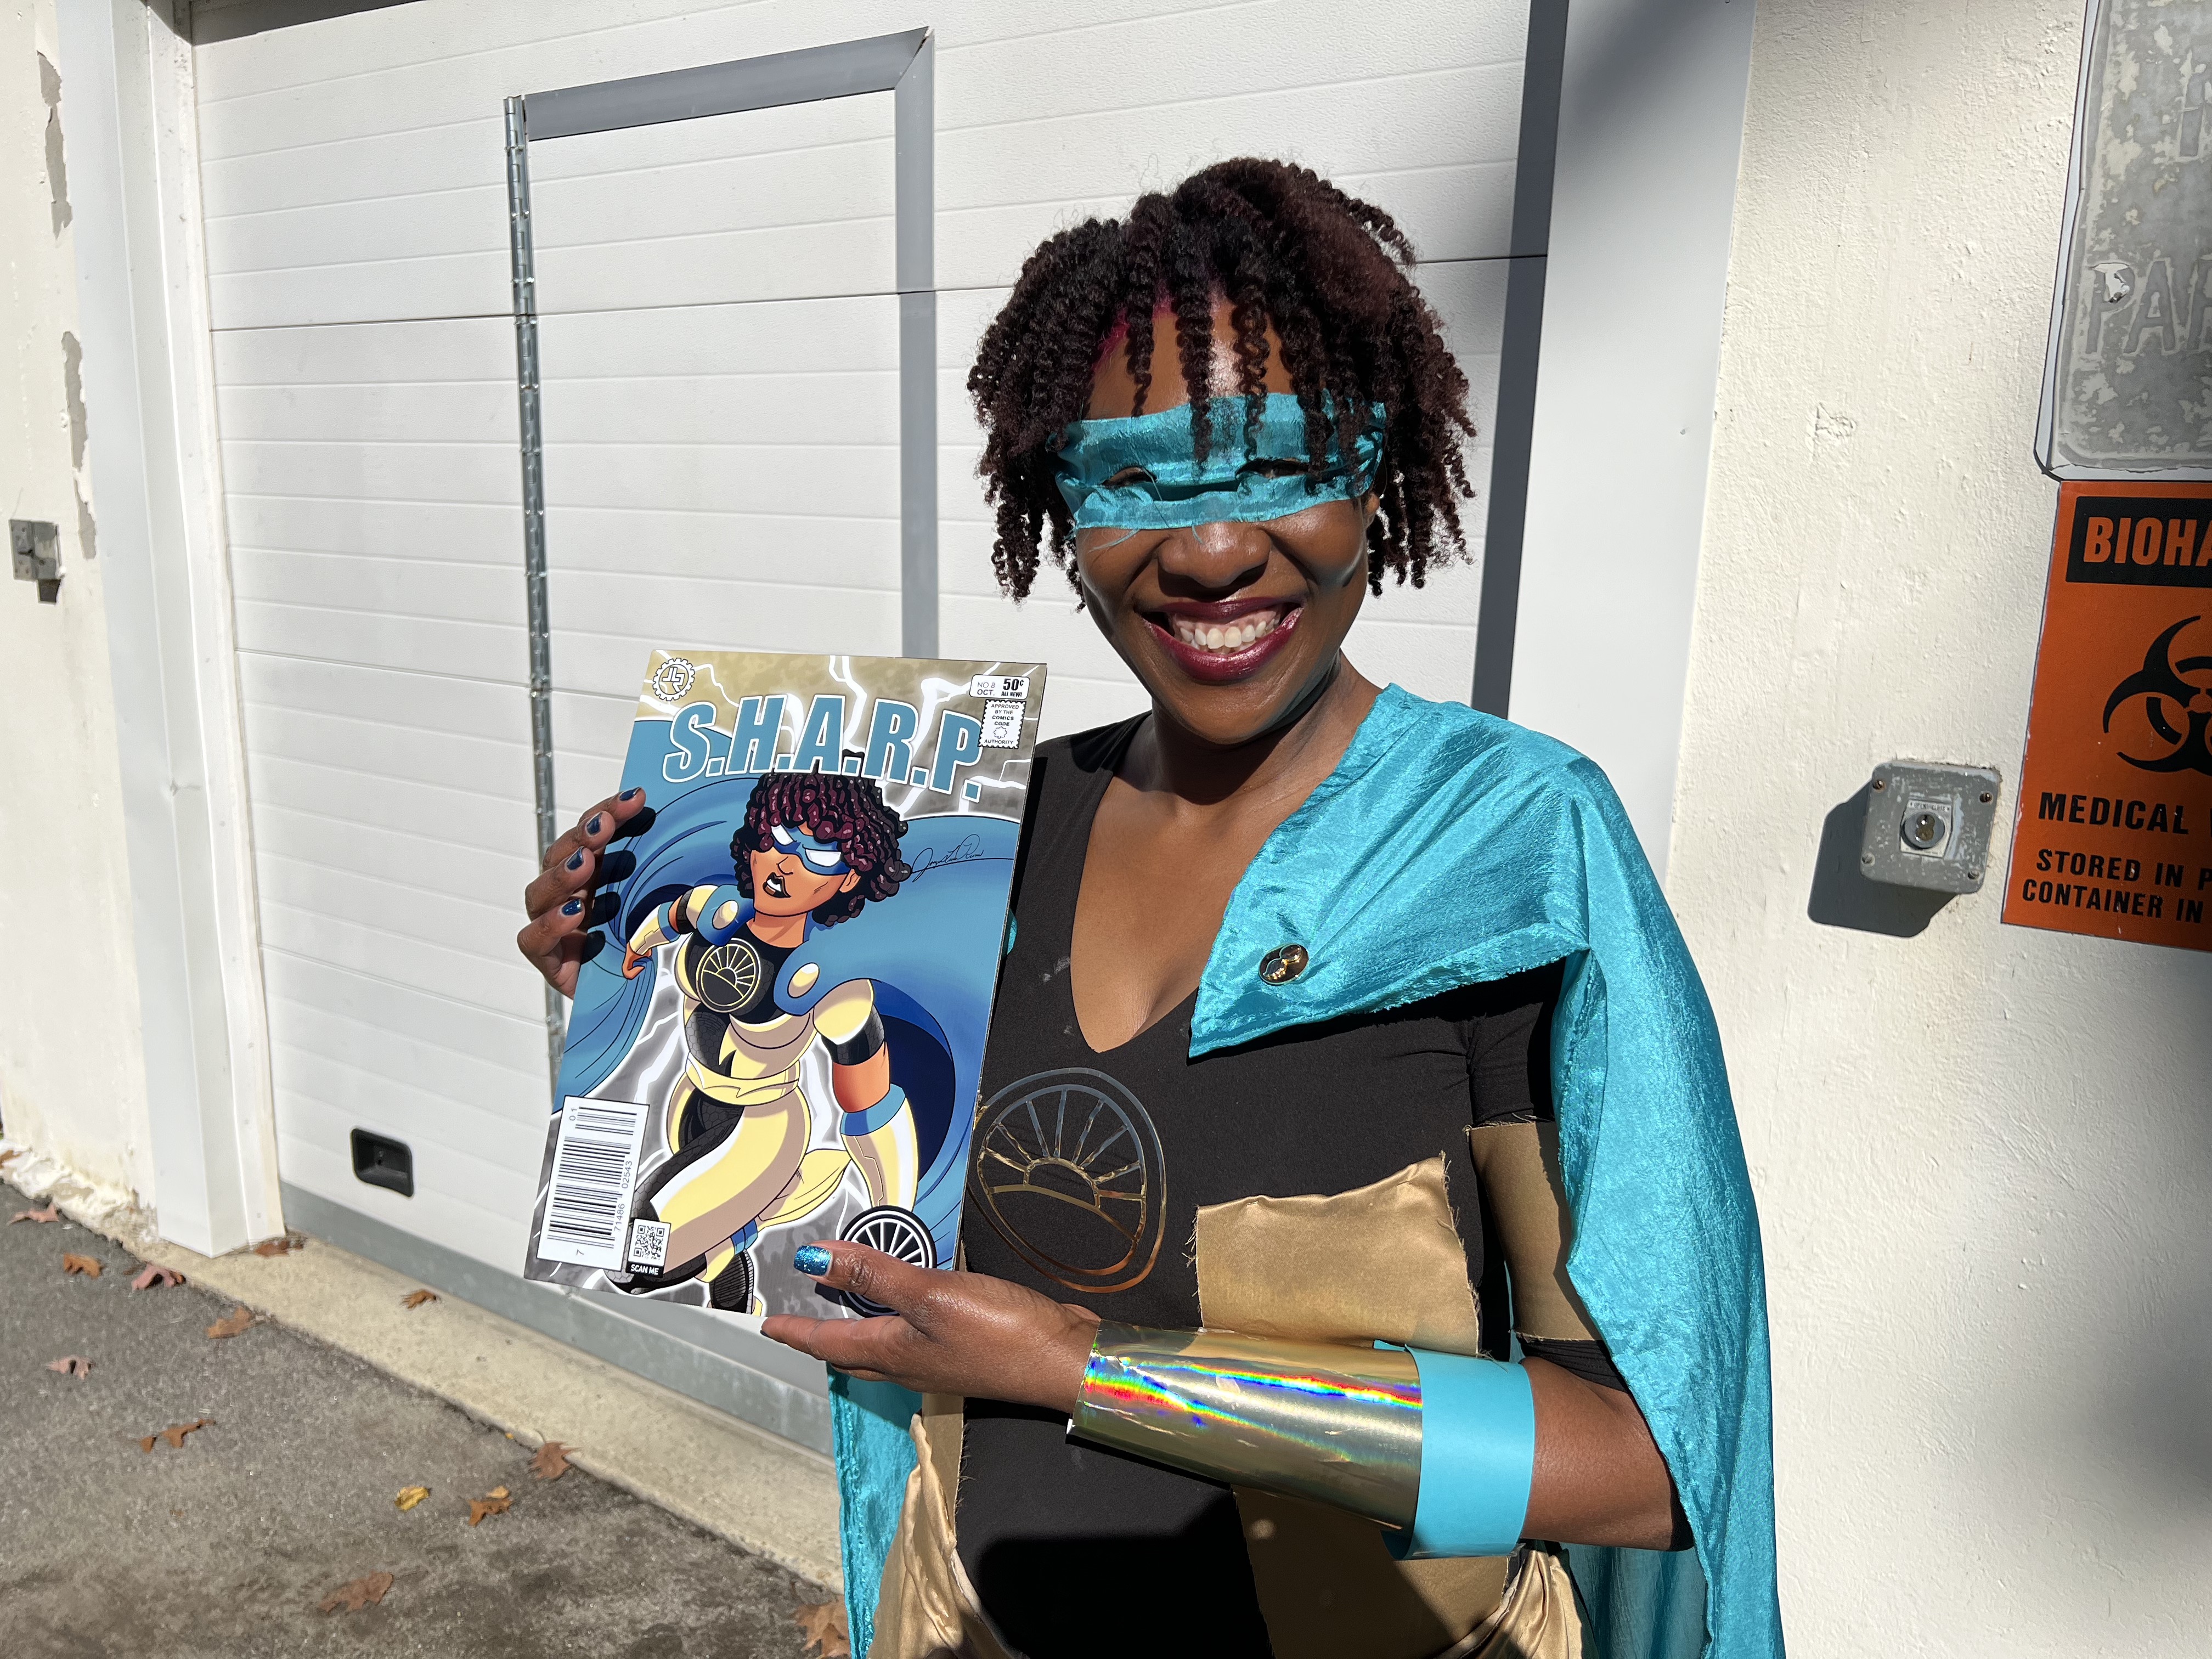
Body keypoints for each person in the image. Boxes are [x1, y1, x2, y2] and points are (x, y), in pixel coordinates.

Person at [518, 159, 1780, 1659]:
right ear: (1058, 511)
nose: (1213, 552)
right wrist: (640, 990)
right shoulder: (982, 843)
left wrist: (1087, 1371)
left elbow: (1641, 1467)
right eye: (1134, 483)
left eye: (1284, 466)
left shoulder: (1505, 850)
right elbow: (833, 1164)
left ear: (1381, 473)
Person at [605, 773, 926, 1316]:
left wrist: (895, 1216)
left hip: (761, 1130)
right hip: (690, 1103)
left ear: (850, 878)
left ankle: (742, 1229)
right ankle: (729, 1267)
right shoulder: (719, 912)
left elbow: (872, 1105)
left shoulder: (829, 982)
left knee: (630, 1259)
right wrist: (633, 948)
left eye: (818, 855)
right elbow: (674, 915)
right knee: (661, 1228)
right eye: (777, 839)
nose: (784, 864)